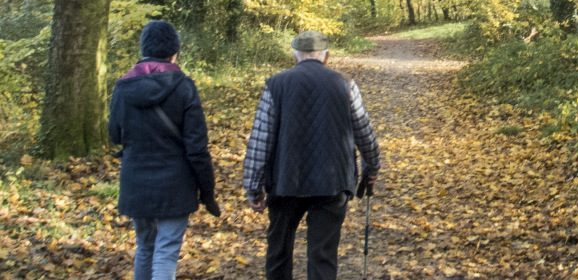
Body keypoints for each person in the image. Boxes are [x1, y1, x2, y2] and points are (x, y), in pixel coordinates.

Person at [243, 30, 381, 280]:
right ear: (326, 56)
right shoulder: (345, 83)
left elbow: (260, 139)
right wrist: (372, 167)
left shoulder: (275, 84)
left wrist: (253, 187)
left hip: (285, 181)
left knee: (278, 252)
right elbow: (364, 131)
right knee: (323, 256)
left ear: (295, 55)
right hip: (332, 182)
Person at [109, 20, 220, 280]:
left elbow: (114, 135)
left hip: (136, 181)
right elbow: (197, 148)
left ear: (143, 48)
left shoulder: (123, 88)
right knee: (166, 251)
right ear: (175, 51)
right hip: (175, 184)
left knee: (145, 247)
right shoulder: (184, 87)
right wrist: (208, 191)